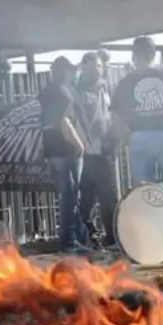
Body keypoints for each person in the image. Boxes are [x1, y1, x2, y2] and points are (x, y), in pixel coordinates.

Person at [110, 36, 163, 188]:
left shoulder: (126, 82)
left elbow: (115, 116)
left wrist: (126, 137)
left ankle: (147, 211)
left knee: (143, 190)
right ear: (154, 55)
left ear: (134, 56)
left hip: (138, 137)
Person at [38, 56, 89, 253]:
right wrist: (78, 144)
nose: (75, 74)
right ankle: (70, 240)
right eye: (72, 71)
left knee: (66, 195)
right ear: (66, 71)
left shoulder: (46, 92)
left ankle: (76, 237)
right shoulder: (63, 93)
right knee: (70, 196)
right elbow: (64, 122)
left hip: (52, 150)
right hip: (66, 150)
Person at [73, 52, 119, 248]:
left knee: (110, 197)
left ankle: (112, 237)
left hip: (105, 151)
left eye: (99, 66)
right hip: (86, 153)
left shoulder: (106, 88)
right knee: (86, 199)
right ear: (83, 68)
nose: (97, 70)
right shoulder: (77, 92)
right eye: (92, 67)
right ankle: (86, 235)